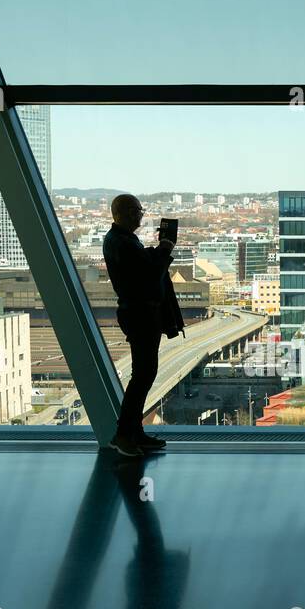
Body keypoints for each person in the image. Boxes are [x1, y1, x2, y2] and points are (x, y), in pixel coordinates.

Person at [103, 194, 175, 456]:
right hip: (141, 315)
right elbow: (149, 275)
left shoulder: (118, 240)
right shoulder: (124, 242)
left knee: (143, 375)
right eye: (136, 211)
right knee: (143, 375)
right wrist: (165, 249)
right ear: (122, 213)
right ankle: (124, 435)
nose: (140, 215)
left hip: (135, 313)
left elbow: (141, 270)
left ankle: (134, 433)